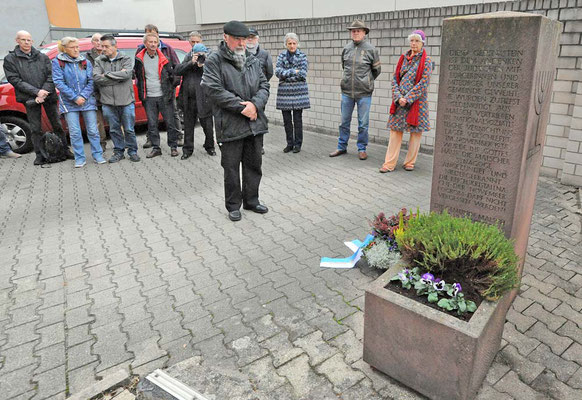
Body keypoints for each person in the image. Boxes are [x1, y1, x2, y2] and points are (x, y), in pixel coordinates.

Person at [201, 20, 270, 222]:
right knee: (231, 168)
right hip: (229, 125)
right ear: (225, 38)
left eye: (244, 39)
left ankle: (252, 200)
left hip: (254, 123)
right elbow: (214, 91)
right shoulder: (214, 61)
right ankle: (233, 205)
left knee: (254, 165)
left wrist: (255, 106)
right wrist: (244, 108)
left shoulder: (252, 59)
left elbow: (264, 86)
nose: (241, 43)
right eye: (237, 39)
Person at [3, 30, 73, 165]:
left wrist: (44, 91)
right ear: (17, 41)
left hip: (48, 96)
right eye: (23, 40)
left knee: (57, 124)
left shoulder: (42, 57)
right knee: (35, 128)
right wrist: (36, 92)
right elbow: (14, 79)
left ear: (32, 41)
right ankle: (40, 155)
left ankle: (65, 150)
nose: (26, 42)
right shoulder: (10, 59)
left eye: (29, 40)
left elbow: (51, 75)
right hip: (29, 98)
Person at [380, 30, 433, 173]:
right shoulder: (403, 58)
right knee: (395, 132)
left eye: (417, 41)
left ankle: (410, 162)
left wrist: (408, 98)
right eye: (412, 41)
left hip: (416, 103)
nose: (414, 43)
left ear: (422, 43)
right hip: (399, 102)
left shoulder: (427, 61)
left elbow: (423, 82)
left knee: (415, 133)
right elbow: (394, 79)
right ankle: (389, 163)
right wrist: (398, 97)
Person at [329, 19, 381, 161]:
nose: (355, 33)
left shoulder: (371, 50)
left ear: (364, 32)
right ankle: (341, 146)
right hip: (347, 92)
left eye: (358, 30)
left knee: (363, 124)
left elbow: (376, 70)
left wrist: (366, 81)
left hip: (364, 93)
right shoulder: (346, 49)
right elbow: (344, 67)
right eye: (353, 31)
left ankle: (362, 148)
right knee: (344, 122)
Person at [52, 37, 105, 167]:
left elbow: (91, 81)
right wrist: (75, 97)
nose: (76, 50)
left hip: (87, 101)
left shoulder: (85, 61)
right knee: (75, 132)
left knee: (93, 130)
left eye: (77, 47)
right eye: (72, 47)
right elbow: (58, 82)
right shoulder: (57, 62)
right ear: (65, 49)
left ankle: (98, 155)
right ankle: (79, 158)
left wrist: (83, 96)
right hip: (69, 103)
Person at [93, 34, 140, 163]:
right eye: (102, 46)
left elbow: (126, 75)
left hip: (126, 101)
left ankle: (132, 151)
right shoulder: (99, 60)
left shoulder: (125, 58)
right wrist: (116, 78)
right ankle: (119, 151)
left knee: (129, 129)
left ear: (115, 46)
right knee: (114, 129)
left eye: (106, 46)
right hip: (108, 102)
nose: (103, 49)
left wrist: (106, 75)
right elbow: (96, 78)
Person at [134, 32, 180, 158]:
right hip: (149, 97)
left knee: (170, 123)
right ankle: (156, 148)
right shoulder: (139, 58)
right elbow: (137, 75)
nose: (153, 44)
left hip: (164, 95)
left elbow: (175, 72)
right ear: (145, 44)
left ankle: (173, 147)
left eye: (155, 42)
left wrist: (172, 86)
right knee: (152, 124)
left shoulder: (165, 57)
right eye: (151, 42)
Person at [175, 43, 215, 159]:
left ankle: (210, 147)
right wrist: (191, 63)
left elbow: (213, 74)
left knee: (207, 126)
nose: (199, 57)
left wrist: (203, 64)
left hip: (204, 100)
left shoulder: (208, 62)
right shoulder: (188, 59)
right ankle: (187, 150)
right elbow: (177, 70)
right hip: (189, 100)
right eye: (197, 55)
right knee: (188, 127)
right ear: (192, 54)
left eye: (200, 55)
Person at [275, 33, 310, 154]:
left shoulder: (302, 56)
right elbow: (278, 72)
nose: (292, 45)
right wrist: (293, 71)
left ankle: (298, 144)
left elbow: (303, 74)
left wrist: (286, 75)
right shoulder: (281, 56)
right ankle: (289, 143)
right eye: (289, 43)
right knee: (287, 120)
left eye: (294, 43)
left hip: (298, 93)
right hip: (284, 94)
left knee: (297, 119)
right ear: (286, 44)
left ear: (297, 44)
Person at [246, 28, 273, 155]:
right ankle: (247, 144)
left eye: (253, 37)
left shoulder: (264, 54)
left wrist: (260, 86)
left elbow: (269, 72)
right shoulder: (241, 53)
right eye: (248, 37)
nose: (250, 39)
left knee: (259, 119)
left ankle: (259, 146)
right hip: (245, 93)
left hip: (259, 94)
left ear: (258, 39)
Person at [86, 32, 108, 151]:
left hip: (109, 92)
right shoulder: (87, 57)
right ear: (92, 43)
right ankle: (101, 144)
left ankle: (121, 142)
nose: (98, 42)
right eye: (95, 40)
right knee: (98, 122)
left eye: (100, 40)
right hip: (95, 93)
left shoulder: (109, 54)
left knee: (115, 118)